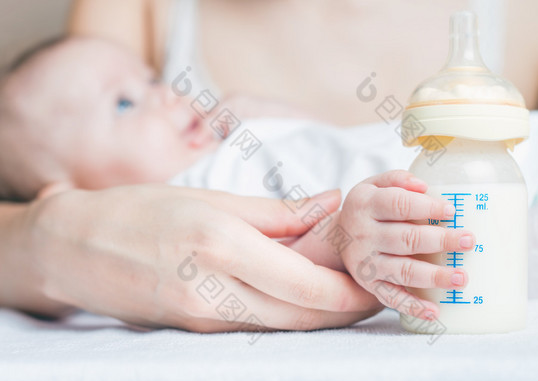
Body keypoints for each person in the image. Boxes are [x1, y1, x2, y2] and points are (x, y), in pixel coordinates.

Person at [0, 37, 475, 322]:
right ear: (77, 200)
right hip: (473, 204)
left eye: (149, 79)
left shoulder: (226, 145)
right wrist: (344, 241)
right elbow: (267, 270)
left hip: (479, 159)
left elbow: (335, 154)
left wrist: (283, 123)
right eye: (123, 104)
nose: (166, 93)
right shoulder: (184, 204)